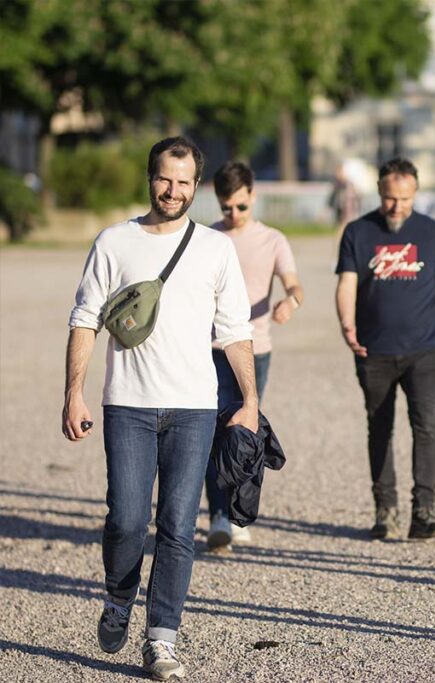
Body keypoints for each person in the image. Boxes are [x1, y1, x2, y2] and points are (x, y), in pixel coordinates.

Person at [61, 137, 256, 680]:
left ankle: (161, 638)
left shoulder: (217, 250)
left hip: (194, 407)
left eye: (185, 182)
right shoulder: (113, 242)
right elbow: (85, 319)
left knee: (175, 526)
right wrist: (73, 391)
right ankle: (119, 598)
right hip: (127, 404)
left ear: (197, 186)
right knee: (125, 519)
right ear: (150, 179)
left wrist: (251, 402)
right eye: (165, 180)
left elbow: (236, 331)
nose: (173, 191)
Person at [335, 158, 435, 540]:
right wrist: (347, 323)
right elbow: (346, 283)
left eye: (406, 199)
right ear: (378, 192)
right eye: (391, 199)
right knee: (379, 427)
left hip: (424, 350)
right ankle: (385, 510)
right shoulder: (358, 233)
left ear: (416, 193)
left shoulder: (431, 232)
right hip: (372, 351)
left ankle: (424, 511)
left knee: (425, 425)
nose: (398, 207)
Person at [204, 161, 304, 551]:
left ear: (253, 196)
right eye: (226, 207)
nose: (234, 215)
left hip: (254, 348)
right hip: (207, 350)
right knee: (211, 431)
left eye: (241, 207)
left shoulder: (273, 240)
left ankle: (238, 513)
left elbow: (293, 282)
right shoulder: (207, 237)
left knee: (243, 430)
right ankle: (218, 516)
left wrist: (290, 302)